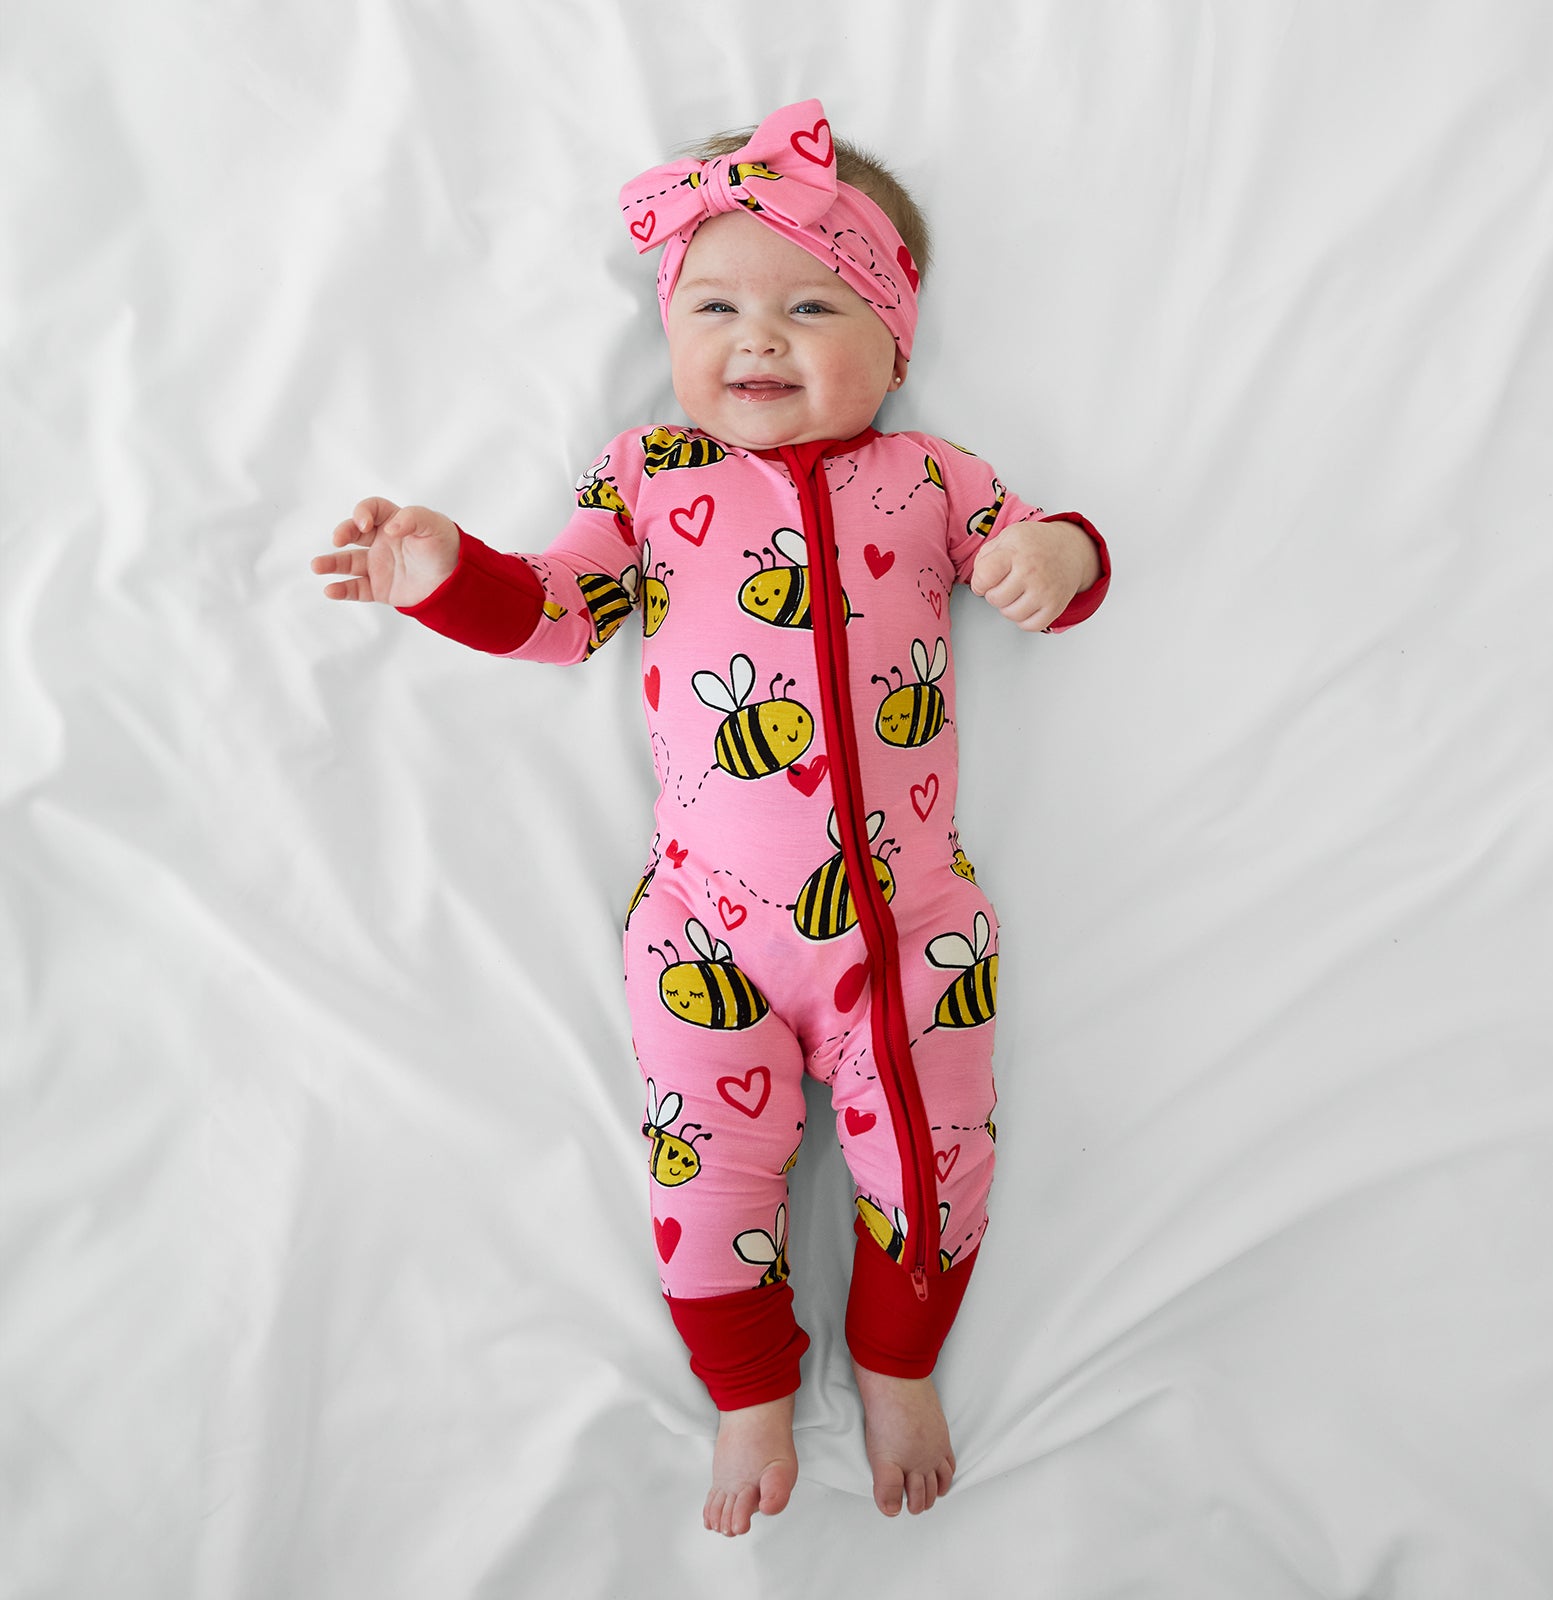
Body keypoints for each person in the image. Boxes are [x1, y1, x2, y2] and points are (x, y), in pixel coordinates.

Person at [311, 99, 1109, 1537]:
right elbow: (561, 615)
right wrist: (444, 572)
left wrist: (1057, 554)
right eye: (719, 305)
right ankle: (748, 1393)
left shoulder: (929, 480)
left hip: (907, 927)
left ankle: (896, 1362)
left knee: (938, 1158)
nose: (759, 339)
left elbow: (1039, 544)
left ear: (895, 346)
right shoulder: (652, 481)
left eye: (812, 306)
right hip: (708, 933)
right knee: (709, 1169)